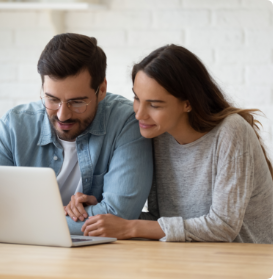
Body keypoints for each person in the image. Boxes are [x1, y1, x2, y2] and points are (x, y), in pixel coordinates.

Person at [0, 33, 153, 236]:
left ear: (101, 89)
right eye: (52, 99)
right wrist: (61, 215)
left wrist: (13, 220)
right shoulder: (14, 125)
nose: (62, 115)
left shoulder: (126, 122)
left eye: (77, 102)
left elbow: (119, 216)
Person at [80, 44, 273, 243]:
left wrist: (130, 227)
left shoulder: (231, 131)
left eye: (154, 105)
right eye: (137, 98)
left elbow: (223, 227)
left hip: (246, 261)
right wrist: (103, 211)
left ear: (187, 103)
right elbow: (162, 223)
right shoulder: (158, 135)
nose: (139, 114)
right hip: (190, 258)